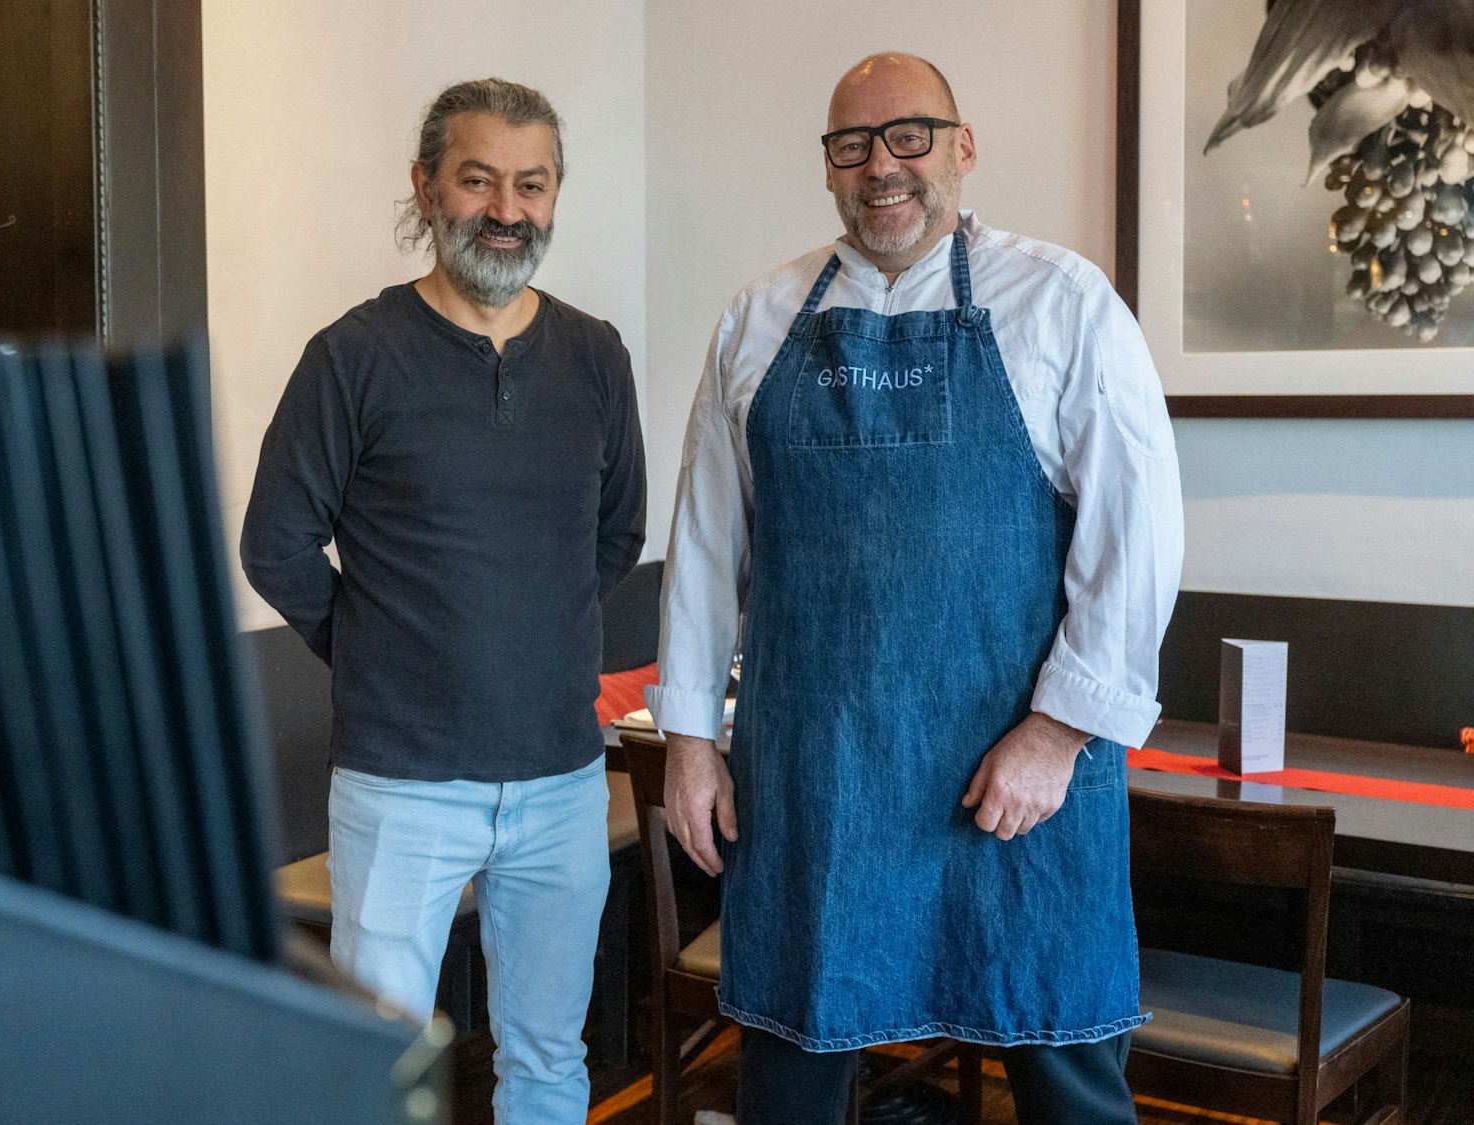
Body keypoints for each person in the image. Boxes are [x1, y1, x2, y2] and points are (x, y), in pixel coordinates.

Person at [648, 53, 1183, 1125]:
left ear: (961, 147)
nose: (880, 167)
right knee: (792, 1068)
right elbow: (706, 544)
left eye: (908, 137)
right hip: (817, 771)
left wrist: (1058, 734)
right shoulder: (756, 319)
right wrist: (690, 740)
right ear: (829, 168)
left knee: (1063, 1067)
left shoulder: (1063, 302)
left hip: (1012, 776)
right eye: (851, 145)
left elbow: (1139, 540)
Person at [240, 77, 646, 1124]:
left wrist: (526, 638)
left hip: (563, 776)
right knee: (375, 1071)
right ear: (426, 190)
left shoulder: (594, 354)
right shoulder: (353, 356)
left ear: (554, 196)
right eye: (477, 181)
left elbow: (616, 535)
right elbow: (274, 543)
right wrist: (384, 650)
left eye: (530, 184)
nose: (505, 210)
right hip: (400, 783)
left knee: (550, 1059)